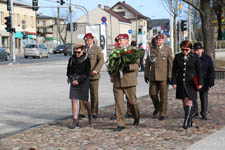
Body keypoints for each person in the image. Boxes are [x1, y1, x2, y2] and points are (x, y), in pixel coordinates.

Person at [109, 33, 140, 131]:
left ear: (127, 40)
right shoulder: (115, 52)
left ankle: (136, 116)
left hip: (129, 80)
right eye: (117, 40)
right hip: (118, 81)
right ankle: (120, 123)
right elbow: (112, 65)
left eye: (121, 40)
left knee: (132, 102)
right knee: (119, 103)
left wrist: (129, 66)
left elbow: (137, 66)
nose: (119, 42)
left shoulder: (133, 51)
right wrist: (111, 74)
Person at [172, 40, 203, 129]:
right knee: (184, 101)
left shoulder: (195, 57)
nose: (184, 52)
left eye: (186, 50)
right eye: (183, 50)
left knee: (188, 100)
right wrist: (174, 82)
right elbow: (174, 71)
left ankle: (186, 120)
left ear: (190, 49)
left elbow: (199, 71)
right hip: (181, 82)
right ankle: (189, 119)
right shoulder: (178, 57)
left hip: (191, 83)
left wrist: (200, 83)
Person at [144, 33, 173, 120]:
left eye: (160, 40)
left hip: (164, 76)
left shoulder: (168, 49)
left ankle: (163, 113)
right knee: (152, 93)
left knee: (163, 96)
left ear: (163, 40)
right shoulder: (152, 49)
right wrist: (146, 74)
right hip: (153, 75)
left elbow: (170, 64)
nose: (158, 41)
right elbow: (148, 63)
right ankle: (157, 107)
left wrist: (170, 76)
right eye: (157, 40)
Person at [79, 33, 104, 119]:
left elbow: (101, 61)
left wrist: (96, 70)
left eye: (88, 40)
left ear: (92, 39)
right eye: (86, 40)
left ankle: (94, 112)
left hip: (93, 76)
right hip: (83, 76)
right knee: (82, 94)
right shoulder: (82, 49)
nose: (87, 42)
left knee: (94, 95)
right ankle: (82, 112)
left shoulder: (97, 49)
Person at [66, 44, 92, 129]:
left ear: (82, 51)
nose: (77, 54)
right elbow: (68, 71)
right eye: (75, 52)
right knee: (73, 99)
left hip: (83, 81)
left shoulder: (87, 60)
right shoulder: (71, 59)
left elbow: (87, 73)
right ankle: (75, 120)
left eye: (78, 52)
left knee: (84, 101)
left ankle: (90, 113)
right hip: (74, 81)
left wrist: (79, 80)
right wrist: (72, 79)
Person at [193, 42, 214, 120]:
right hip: (194, 80)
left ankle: (204, 112)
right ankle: (194, 111)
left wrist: (211, 81)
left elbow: (211, 70)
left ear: (202, 50)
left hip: (204, 80)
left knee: (204, 97)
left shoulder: (207, 58)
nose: (196, 52)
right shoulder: (191, 57)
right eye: (195, 50)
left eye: (198, 50)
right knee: (193, 97)